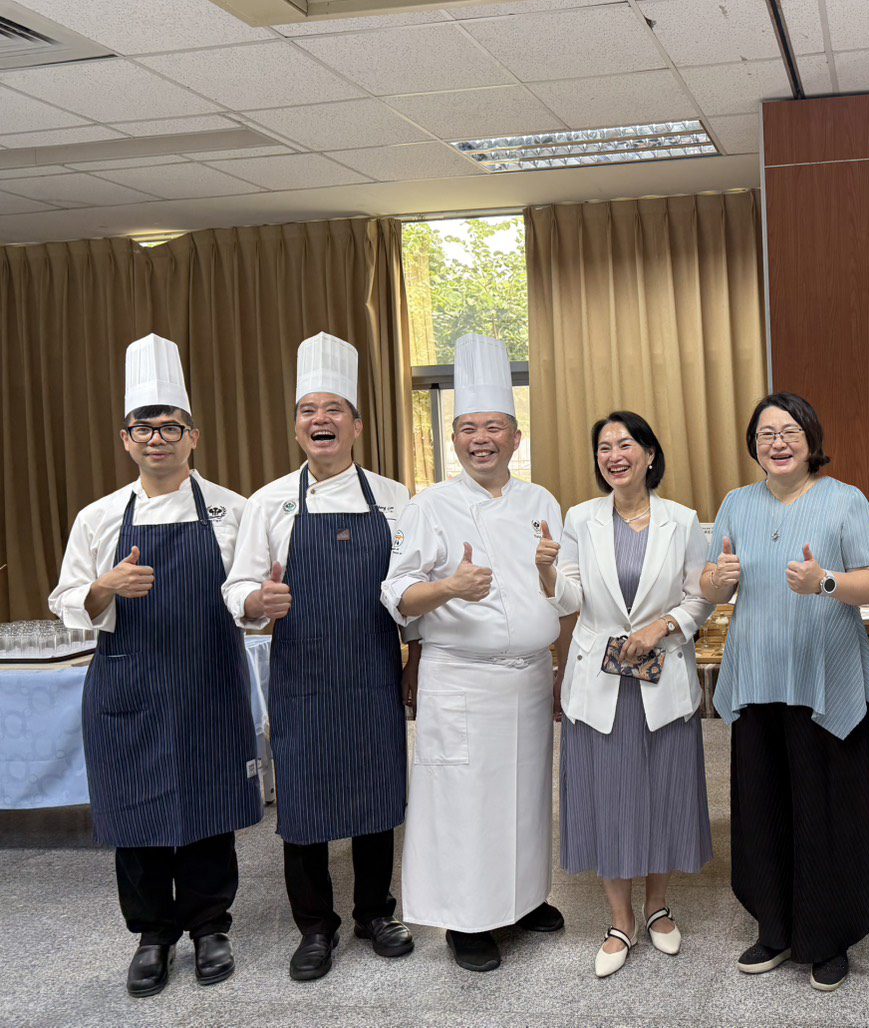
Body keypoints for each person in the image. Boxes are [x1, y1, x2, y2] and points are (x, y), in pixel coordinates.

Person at [49, 334, 262, 998]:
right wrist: (106, 587)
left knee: (207, 807)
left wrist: (261, 601)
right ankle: (152, 935)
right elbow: (65, 601)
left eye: (171, 426)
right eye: (145, 428)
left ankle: (209, 928)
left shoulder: (232, 509)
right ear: (126, 439)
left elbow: (249, 595)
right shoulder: (98, 517)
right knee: (135, 815)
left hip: (207, 682)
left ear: (193, 437)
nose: (158, 439)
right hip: (127, 684)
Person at [222, 332, 414, 981]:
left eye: (333, 408)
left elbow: (411, 583)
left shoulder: (392, 496)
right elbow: (237, 585)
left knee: (376, 796)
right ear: (297, 426)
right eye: (308, 409)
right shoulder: (269, 501)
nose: (320, 419)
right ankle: (315, 926)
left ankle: (373, 912)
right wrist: (258, 602)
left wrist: (412, 640)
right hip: (301, 674)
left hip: (371, 672)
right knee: (303, 806)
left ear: (356, 425)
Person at [380, 334, 565, 973]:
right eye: (466, 428)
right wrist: (450, 588)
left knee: (527, 794)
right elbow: (396, 591)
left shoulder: (541, 500)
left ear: (516, 437)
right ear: (453, 439)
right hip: (462, 678)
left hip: (532, 678)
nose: (479, 438)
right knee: (463, 800)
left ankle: (523, 898)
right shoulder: (429, 504)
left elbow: (560, 587)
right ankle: (467, 919)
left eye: (493, 427)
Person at [700, 392, 869, 993]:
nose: (776, 443)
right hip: (758, 677)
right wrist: (717, 578)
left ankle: (828, 937)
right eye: (765, 434)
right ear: (753, 445)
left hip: (824, 678)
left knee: (828, 809)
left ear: (811, 440)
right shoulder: (735, 503)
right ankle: (775, 926)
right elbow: (711, 586)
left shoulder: (845, 500)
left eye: (788, 432)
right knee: (762, 807)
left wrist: (825, 580)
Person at [542, 411, 715, 978]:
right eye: (603, 447)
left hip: (662, 672)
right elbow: (568, 599)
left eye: (625, 445)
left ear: (648, 454)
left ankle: (658, 907)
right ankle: (620, 919)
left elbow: (699, 598)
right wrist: (546, 573)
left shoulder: (683, 520)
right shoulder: (579, 518)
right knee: (609, 796)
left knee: (662, 789)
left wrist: (661, 627)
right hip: (600, 680)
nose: (614, 455)